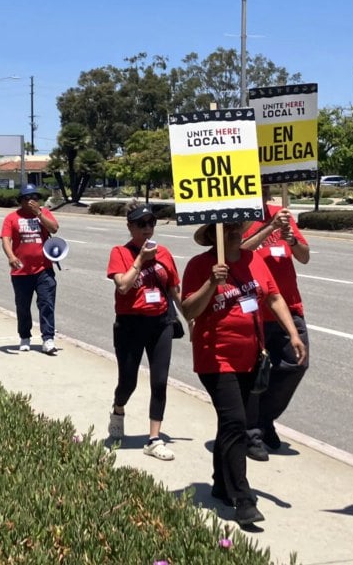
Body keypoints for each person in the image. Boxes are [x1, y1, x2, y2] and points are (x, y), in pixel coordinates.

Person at [181, 221, 306, 526]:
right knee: (236, 422)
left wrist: (293, 334)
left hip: (251, 357)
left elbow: (274, 297)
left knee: (231, 424)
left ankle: (221, 484)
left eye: (237, 228)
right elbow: (188, 310)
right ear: (214, 236)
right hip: (216, 358)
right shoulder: (200, 266)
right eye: (228, 230)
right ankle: (243, 498)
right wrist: (211, 283)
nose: (236, 233)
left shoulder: (255, 260)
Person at [240, 186, 311, 461]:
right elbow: (240, 251)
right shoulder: (241, 219)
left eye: (266, 187)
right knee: (255, 375)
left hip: (288, 308)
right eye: (258, 186)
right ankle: (252, 434)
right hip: (254, 309)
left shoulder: (281, 215)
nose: (263, 192)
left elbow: (304, 257)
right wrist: (269, 228)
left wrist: (292, 239)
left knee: (297, 364)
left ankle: (264, 419)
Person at [106, 204, 181, 461]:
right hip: (129, 325)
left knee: (159, 382)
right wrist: (141, 260)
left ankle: (153, 439)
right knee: (128, 382)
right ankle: (118, 409)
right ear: (130, 227)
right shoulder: (120, 253)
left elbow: (175, 291)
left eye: (151, 223)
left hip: (160, 323)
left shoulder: (165, 254)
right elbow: (123, 286)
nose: (147, 229)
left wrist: (193, 320)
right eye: (141, 224)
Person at [0, 184, 60, 354]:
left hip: (44, 269)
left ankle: (48, 338)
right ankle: (25, 336)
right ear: (21, 201)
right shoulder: (12, 218)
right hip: (21, 271)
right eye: (27, 198)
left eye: (35, 197)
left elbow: (54, 228)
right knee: (23, 306)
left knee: (47, 303)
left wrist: (39, 214)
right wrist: (11, 257)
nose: (32, 201)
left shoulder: (44, 213)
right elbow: (6, 240)